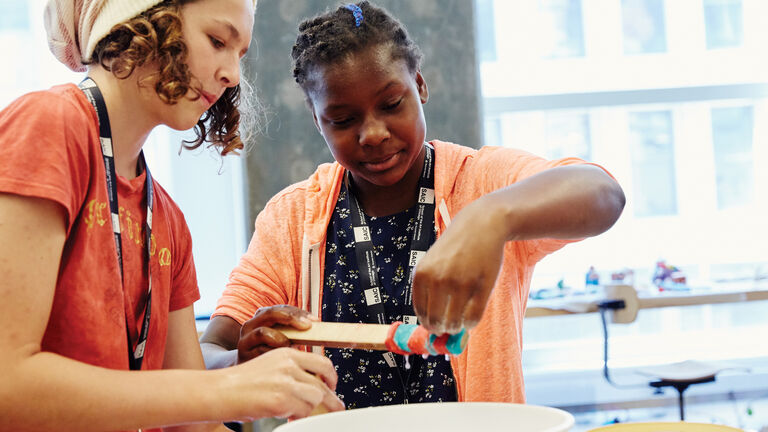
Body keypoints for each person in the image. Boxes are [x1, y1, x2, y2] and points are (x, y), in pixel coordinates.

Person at [200, 1, 625, 409]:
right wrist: (240, 362)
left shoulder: (478, 183)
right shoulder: (293, 218)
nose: (373, 134)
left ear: (419, 86)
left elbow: (603, 192)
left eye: (391, 104)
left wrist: (490, 218)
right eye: (343, 120)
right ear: (317, 120)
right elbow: (207, 351)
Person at [0, 0, 344, 430]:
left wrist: (248, 394)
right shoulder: (50, 125)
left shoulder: (165, 218)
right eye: (217, 41)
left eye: (239, 56)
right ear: (144, 20)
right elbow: (7, 383)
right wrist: (231, 388)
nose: (232, 76)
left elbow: (194, 424)